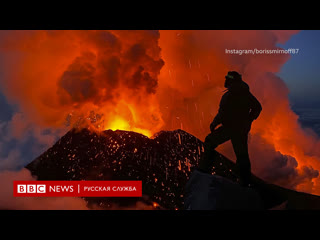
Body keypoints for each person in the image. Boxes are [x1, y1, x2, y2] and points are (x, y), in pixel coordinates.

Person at [198, 71, 262, 187]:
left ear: (232, 80)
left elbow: (256, 108)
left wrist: (247, 120)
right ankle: (244, 181)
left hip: (234, 129)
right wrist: (248, 121)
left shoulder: (239, 94)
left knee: (211, 142)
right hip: (234, 128)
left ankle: (204, 170)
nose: (225, 80)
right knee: (241, 155)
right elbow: (256, 108)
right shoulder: (240, 93)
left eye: (227, 79)